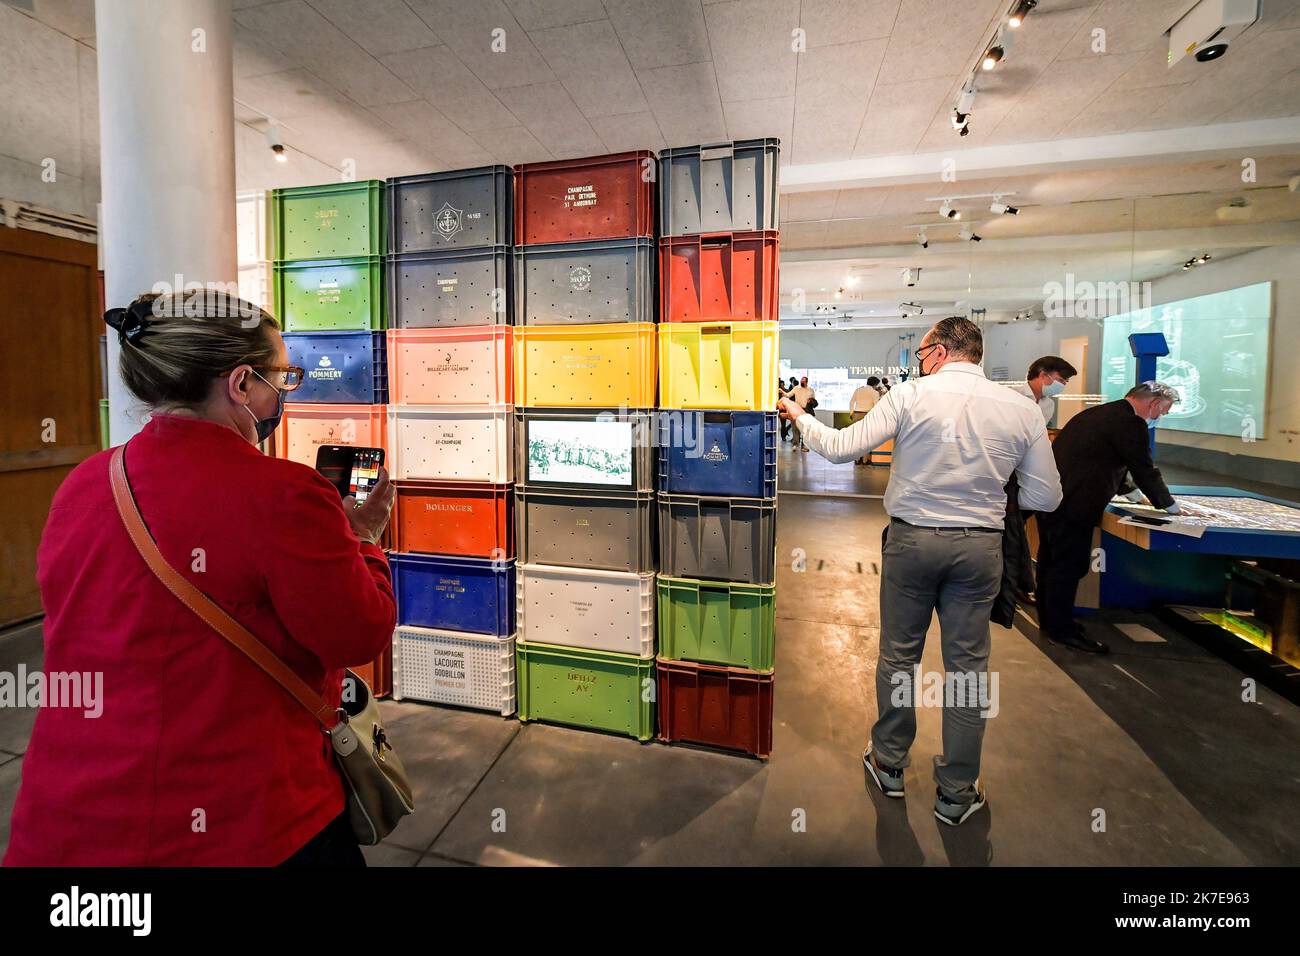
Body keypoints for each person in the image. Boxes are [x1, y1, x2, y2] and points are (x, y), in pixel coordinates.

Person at [4, 291, 398, 867]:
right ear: (240, 385)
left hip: (69, 819)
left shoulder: (83, 484)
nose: (283, 393)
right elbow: (358, 634)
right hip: (248, 821)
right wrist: (362, 539)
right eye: (281, 376)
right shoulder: (286, 494)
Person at [779, 317, 1061, 826]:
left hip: (912, 542)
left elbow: (842, 449)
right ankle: (956, 790)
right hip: (980, 549)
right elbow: (1046, 495)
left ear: (935, 351)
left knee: (899, 656)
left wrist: (799, 414)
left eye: (921, 353)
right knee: (968, 668)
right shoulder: (1022, 409)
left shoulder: (912, 396)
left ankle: (888, 762)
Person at [1035, 381, 1183, 655]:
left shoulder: (1098, 415)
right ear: (1152, 403)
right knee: (1068, 566)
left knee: (1050, 562)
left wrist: (1135, 496)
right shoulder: (1131, 423)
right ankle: (1062, 631)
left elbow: (1103, 459)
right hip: (1075, 505)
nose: (1159, 417)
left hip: (1051, 499)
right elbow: (1143, 467)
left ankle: (1052, 622)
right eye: (1162, 411)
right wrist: (1171, 507)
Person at [1015, 355, 1077, 426]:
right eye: (1060, 380)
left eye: (1065, 382)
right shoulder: (1014, 396)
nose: (1063, 385)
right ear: (1043, 375)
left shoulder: (1049, 404)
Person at [849, 376, 881, 465]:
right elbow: (876, 406)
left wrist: (851, 413)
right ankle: (865, 460)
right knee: (867, 438)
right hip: (868, 415)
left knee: (856, 438)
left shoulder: (858, 390)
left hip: (856, 414)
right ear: (875, 384)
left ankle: (856, 459)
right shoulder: (875, 393)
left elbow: (851, 402)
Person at [790, 376, 816, 451]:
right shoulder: (796, 389)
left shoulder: (810, 390)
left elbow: (814, 400)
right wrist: (782, 392)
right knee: (795, 428)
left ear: (806, 382)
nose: (802, 382)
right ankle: (795, 444)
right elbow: (788, 395)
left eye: (804, 381)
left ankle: (804, 446)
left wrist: (810, 401)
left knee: (805, 429)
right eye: (801, 380)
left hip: (807, 411)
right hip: (797, 410)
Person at [778, 377, 799, 442]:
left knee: (793, 422)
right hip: (783, 409)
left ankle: (786, 433)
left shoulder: (787, 390)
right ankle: (783, 436)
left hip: (788, 408)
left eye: (783, 384)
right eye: (782, 385)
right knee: (783, 424)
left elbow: (789, 396)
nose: (783, 386)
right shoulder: (779, 392)